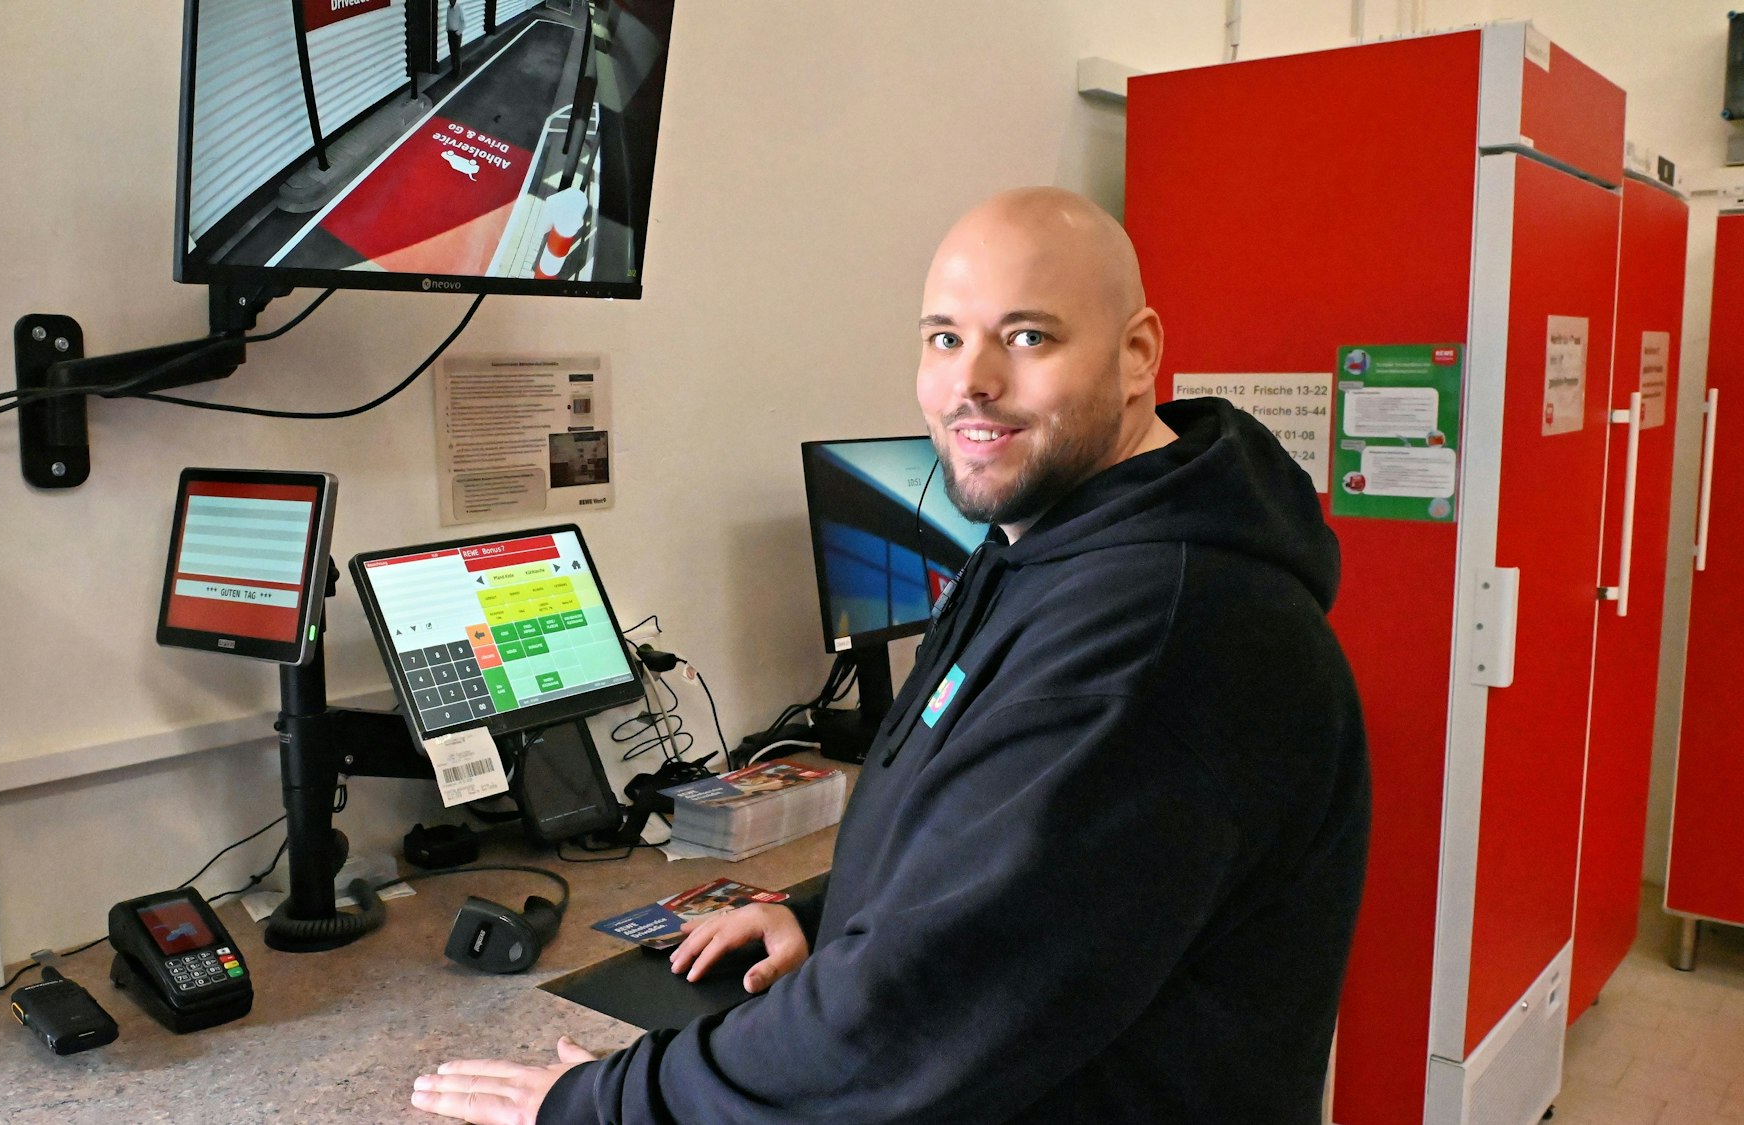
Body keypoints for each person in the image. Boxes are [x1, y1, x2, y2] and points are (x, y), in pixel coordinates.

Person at [410, 187, 1371, 1123]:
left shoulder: (1162, 633)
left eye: (1027, 336)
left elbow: (917, 1015)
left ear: (1137, 354)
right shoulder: (1040, 549)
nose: (971, 381)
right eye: (944, 338)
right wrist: (828, 925)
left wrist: (606, 1102)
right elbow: (992, 866)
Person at [446, 0, 465, 81]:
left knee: (456, 53)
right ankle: (453, 70)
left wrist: (459, 32)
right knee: (452, 52)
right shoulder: (448, 8)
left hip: (457, 34)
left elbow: (463, 21)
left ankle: (458, 72)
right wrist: (447, 29)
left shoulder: (459, 8)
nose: (451, 2)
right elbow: (447, 19)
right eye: (450, 0)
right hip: (450, 33)